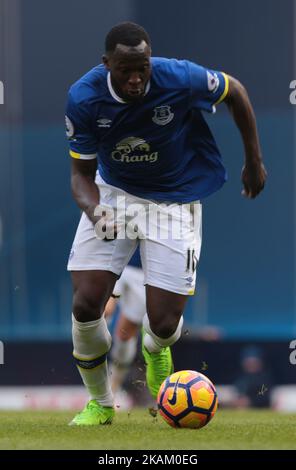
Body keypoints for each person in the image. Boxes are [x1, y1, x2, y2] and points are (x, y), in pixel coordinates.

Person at [65, 22, 266, 426]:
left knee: (164, 322)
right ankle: (101, 404)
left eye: (143, 67)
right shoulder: (84, 98)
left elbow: (236, 92)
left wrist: (254, 160)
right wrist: (95, 211)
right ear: (107, 65)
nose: (137, 77)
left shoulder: (178, 76)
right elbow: (80, 175)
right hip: (114, 196)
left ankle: (156, 350)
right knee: (86, 303)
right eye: (126, 70)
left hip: (175, 200)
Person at [105, 247, 145, 403]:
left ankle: (111, 388)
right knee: (103, 311)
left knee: (124, 333)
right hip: (114, 262)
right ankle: (100, 392)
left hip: (144, 271)